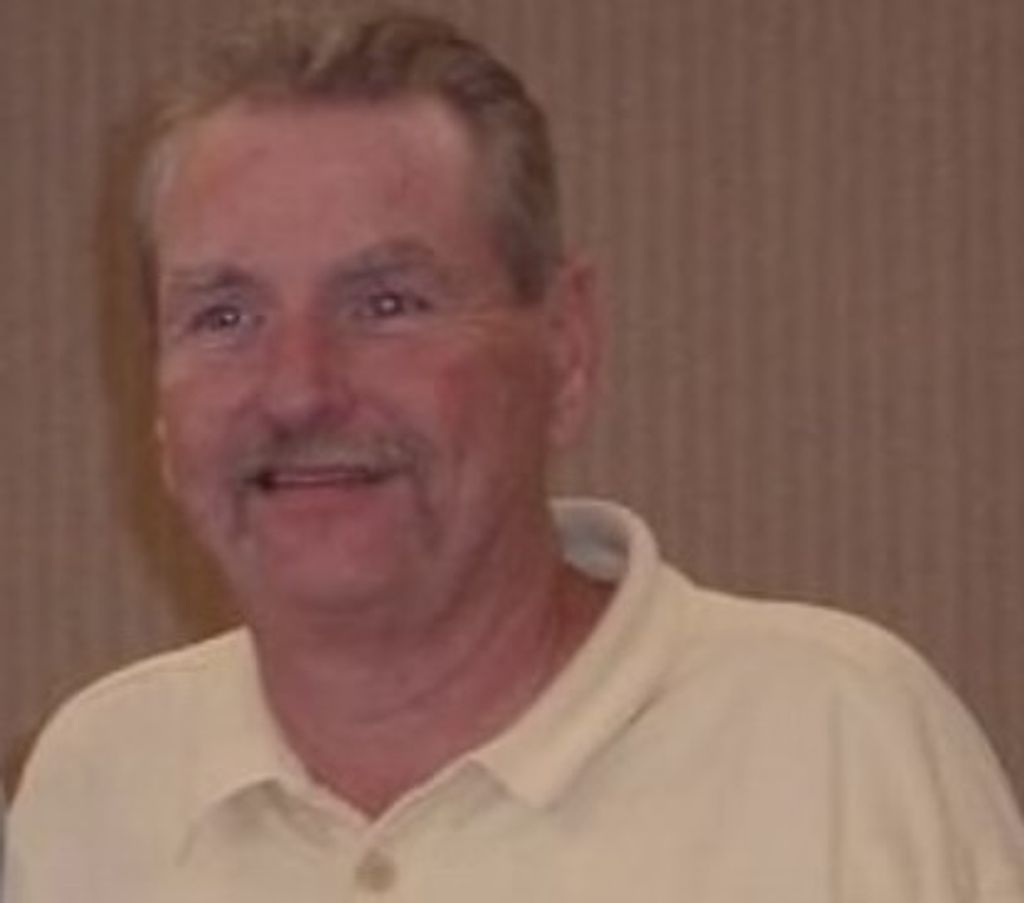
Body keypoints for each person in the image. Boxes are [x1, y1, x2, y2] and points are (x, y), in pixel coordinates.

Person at [6, 9, 1024, 902]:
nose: (299, 387)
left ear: (566, 350)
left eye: (386, 303)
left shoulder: (842, 749)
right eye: (225, 316)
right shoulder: (95, 788)